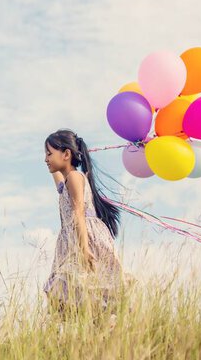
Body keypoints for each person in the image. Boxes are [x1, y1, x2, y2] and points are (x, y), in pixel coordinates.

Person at [43, 129, 134, 318]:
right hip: (73, 238)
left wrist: (83, 247)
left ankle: (102, 328)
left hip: (85, 237)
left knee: (90, 287)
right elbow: (59, 184)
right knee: (70, 293)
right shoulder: (67, 181)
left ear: (66, 154)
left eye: (49, 153)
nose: (46, 159)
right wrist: (51, 160)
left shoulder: (75, 177)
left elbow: (78, 212)